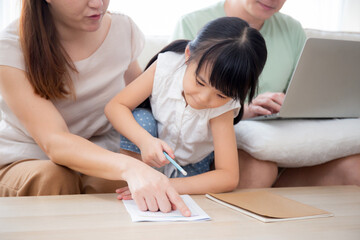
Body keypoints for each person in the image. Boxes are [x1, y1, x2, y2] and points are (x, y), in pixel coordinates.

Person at [0, 0, 191, 216]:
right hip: (28, 157)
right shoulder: (11, 46)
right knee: (54, 177)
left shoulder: (122, 30)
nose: (98, 3)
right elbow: (54, 142)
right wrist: (132, 167)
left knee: (115, 184)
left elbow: (144, 101)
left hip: (100, 153)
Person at [170, 0, 360, 188]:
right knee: (259, 170)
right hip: (225, 138)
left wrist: (292, 103)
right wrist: (245, 110)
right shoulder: (193, 23)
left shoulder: (291, 29)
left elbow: (305, 90)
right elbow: (182, 99)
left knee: (354, 169)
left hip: (281, 136)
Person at [105, 17, 267, 197]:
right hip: (149, 151)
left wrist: (165, 185)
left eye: (221, 95)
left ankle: (150, 186)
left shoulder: (225, 106)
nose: (204, 99)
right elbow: (115, 107)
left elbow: (228, 177)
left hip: (190, 167)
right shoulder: (167, 66)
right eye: (199, 82)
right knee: (140, 118)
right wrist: (145, 141)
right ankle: (135, 179)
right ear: (188, 55)